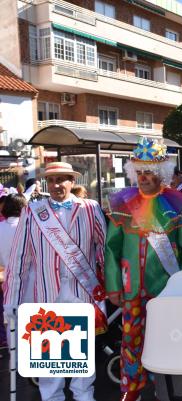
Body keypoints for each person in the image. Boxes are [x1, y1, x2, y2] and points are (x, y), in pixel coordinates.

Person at [3, 162, 107, 401]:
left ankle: (84, 395)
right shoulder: (33, 211)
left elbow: (104, 249)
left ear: (72, 181)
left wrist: (110, 283)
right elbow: (20, 257)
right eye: (51, 180)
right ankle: (52, 397)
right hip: (47, 293)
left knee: (82, 354)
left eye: (62, 179)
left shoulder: (91, 208)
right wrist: (12, 300)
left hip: (83, 291)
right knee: (51, 358)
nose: (56, 185)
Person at [104, 137, 182, 401]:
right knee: (130, 339)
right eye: (140, 172)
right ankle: (130, 390)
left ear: (161, 174)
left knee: (166, 338)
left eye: (150, 172)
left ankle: (163, 389)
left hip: (167, 288)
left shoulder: (177, 202)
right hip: (131, 286)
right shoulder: (123, 203)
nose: (144, 178)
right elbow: (112, 247)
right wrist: (113, 286)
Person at [0, 194, 27, 354]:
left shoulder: (1, 228)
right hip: (32, 280)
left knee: (12, 321)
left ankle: (15, 360)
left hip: (8, 281)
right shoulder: (30, 227)